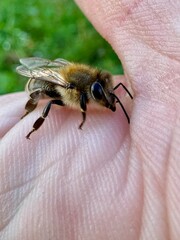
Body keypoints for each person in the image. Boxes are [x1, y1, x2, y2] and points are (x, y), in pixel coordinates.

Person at [0, 0, 179, 239]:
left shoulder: (91, 81)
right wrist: (82, 117)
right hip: (42, 82)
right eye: (99, 94)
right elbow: (50, 86)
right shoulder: (73, 86)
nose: (104, 98)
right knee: (48, 99)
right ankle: (28, 117)